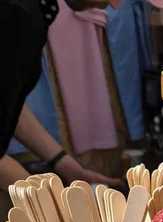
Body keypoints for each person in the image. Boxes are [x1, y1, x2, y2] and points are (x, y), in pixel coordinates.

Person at [0, 0, 120, 191]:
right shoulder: (15, 13)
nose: (116, 5)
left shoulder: (31, 11)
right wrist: (54, 204)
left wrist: (62, 162)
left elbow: (7, 101)